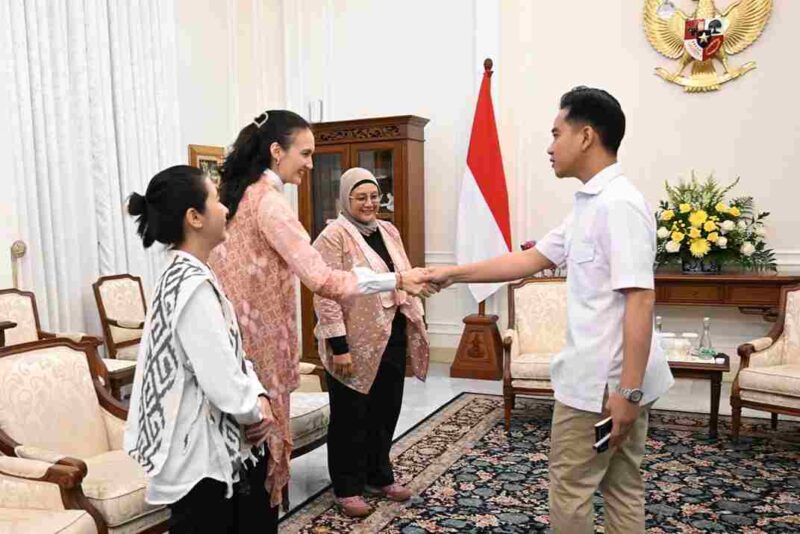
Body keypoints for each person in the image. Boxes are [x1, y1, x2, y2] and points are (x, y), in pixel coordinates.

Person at [427, 87, 674, 532]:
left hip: (603, 384)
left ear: (586, 136)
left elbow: (641, 299)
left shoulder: (618, 205)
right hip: (607, 380)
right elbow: (531, 258)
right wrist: (453, 274)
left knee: (572, 490)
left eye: (556, 133)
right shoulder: (590, 205)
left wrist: (628, 393)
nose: (549, 145)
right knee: (620, 487)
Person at [208, 110, 435, 507]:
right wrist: (398, 281)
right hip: (262, 343)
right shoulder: (270, 204)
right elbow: (325, 281)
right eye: (306, 153)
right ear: (277, 151)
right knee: (264, 446)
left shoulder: (240, 195)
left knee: (245, 450)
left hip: (236, 341)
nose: (312, 164)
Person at [124, 165, 278, 533]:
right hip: (201, 461)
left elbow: (232, 356)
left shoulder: (185, 275)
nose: (225, 208)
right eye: (215, 199)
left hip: (205, 451)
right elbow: (222, 379)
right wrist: (255, 412)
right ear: (194, 217)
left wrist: (257, 393)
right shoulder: (190, 286)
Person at [312, 168, 430, 517]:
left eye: (374, 196)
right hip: (352, 341)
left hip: (389, 334)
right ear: (346, 199)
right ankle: (347, 486)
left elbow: (402, 277)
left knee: (385, 409)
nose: (368, 203)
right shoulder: (333, 237)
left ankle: (379, 475)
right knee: (350, 416)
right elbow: (325, 295)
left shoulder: (388, 230)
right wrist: (340, 348)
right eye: (360, 197)